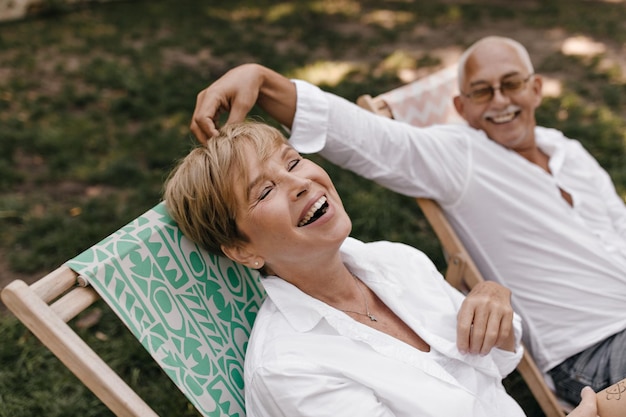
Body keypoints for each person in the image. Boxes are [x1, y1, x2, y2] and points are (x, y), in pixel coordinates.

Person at [188, 35, 626, 406]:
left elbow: (492, 364)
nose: (500, 101)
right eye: (481, 91)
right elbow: (367, 138)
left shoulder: (569, 152)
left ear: (536, 89)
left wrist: (493, 295)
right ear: (460, 105)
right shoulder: (460, 158)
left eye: (511, 85)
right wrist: (265, 82)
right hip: (591, 349)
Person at [163, 121, 597, 417]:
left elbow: (495, 363)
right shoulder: (289, 367)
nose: (300, 183)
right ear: (241, 250)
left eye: (292, 161)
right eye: (265, 191)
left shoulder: (396, 261)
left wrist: (492, 299)